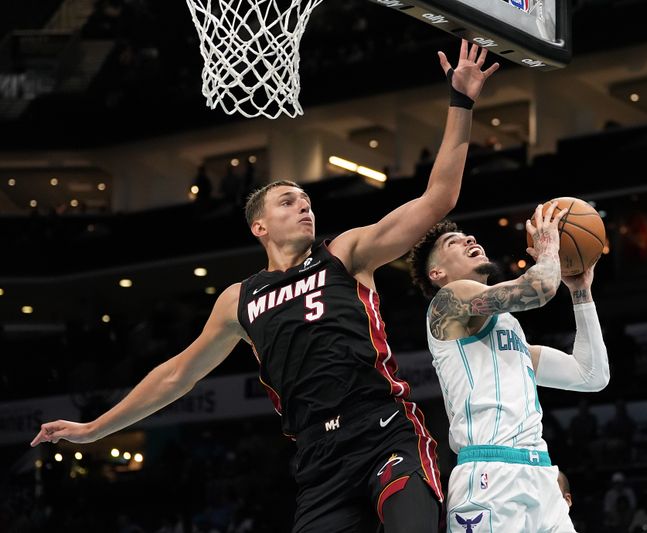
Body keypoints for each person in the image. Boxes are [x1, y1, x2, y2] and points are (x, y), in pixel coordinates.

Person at [30, 41, 500, 533]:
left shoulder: (345, 253)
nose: (305, 207)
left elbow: (439, 196)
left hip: (384, 431)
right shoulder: (240, 299)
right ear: (259, 226)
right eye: (288, 201)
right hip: (320, 462)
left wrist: (462, 101)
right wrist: (94, 428)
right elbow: (176, 376)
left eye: (307, 201)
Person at [407, 207, 610, 532]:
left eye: (467, 236)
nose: (469, 239)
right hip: (489, 476)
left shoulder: (510, 332)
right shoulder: (447, 306)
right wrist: (548, 249)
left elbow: (592, 376)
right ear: (437, 274)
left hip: (541, 475)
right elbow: (540, 288)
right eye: (452, 242)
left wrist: (581, 293)